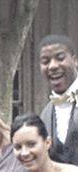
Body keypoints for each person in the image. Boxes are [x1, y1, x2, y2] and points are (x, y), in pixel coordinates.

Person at [38, 35, 78, 165]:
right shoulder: (44, 116)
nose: (52, 66)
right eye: (45, 61)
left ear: (75, 60)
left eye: (60, 58)